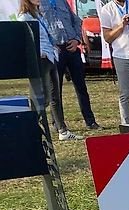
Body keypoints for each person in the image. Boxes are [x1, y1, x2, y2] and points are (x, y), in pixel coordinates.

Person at [18, 0, 81, 140]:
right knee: (41, 98)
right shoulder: (25, 17)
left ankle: (62, 131)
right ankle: (33, 129)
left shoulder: (37, 15)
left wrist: (53, 47)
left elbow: (45, 35)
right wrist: (40, 53)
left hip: (51, 57)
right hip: (41, 60)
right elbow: (26, 41)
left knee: (53, 96)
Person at [38, 0, 101, 130]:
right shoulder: (38, 3)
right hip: (55, 50)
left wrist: (77, 39)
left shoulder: (62, 2)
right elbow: (39, 28)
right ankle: (58, 124)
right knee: (55, 90)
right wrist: (49, 45)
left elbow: (76, 21)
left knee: (81, 87)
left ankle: (90, 121)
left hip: (71, 48)